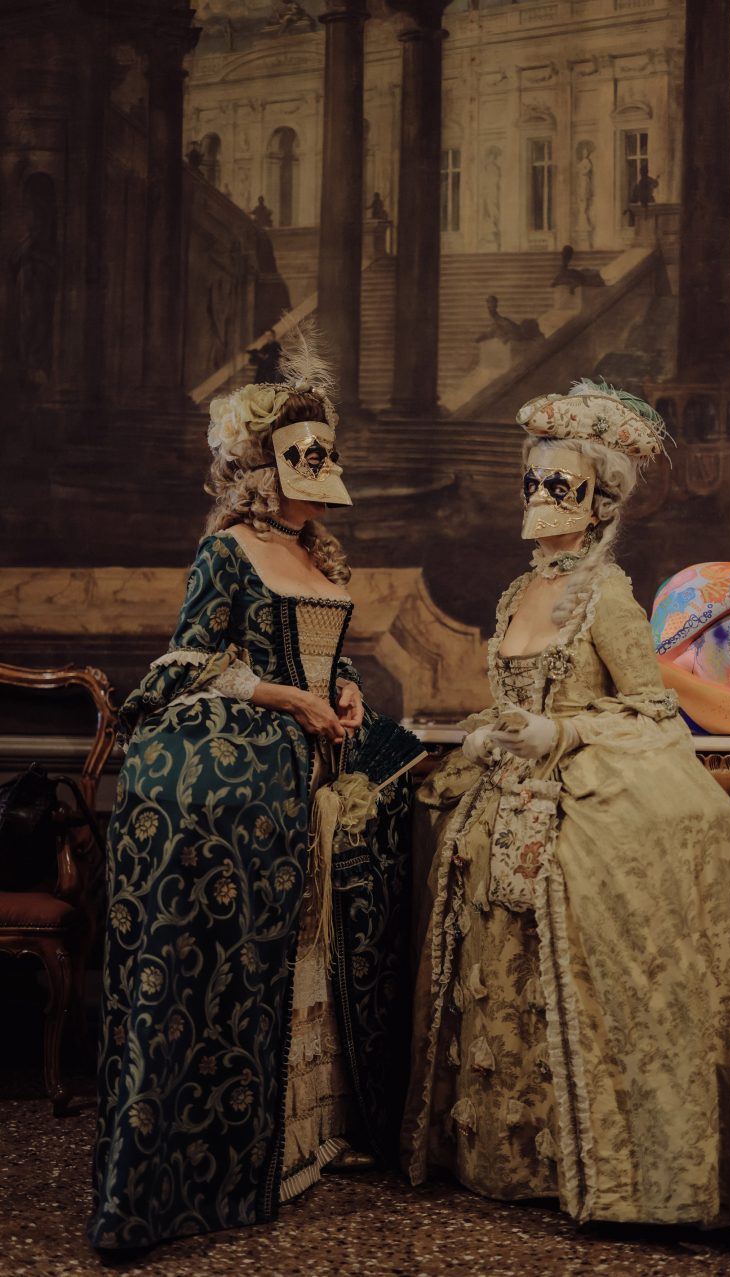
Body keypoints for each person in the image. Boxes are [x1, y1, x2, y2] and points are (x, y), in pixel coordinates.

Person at [401, 380, 730, 1231]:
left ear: (599, 500)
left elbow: (651, 711)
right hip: (497, 805)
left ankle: (588, 1162)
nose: (541, 499)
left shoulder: (607, 598)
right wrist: (484, 736)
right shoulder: (515, 593)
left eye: (561, 486)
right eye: (533, 483)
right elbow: (499, 699)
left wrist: (558, 733)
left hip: (568, 804)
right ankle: (491, 1154)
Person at [90, 327, 424, 1255]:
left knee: (404, 780)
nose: (309, 494)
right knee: (230, 821)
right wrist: (288, 699)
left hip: (319, 742)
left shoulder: (323, 555)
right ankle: (242, 1140)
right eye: (293, 474)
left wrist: (345, 690)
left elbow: (332, 652)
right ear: (259, 473)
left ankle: (330, 1127)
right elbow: (193, 663)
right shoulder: (226, 553)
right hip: (262, 735)